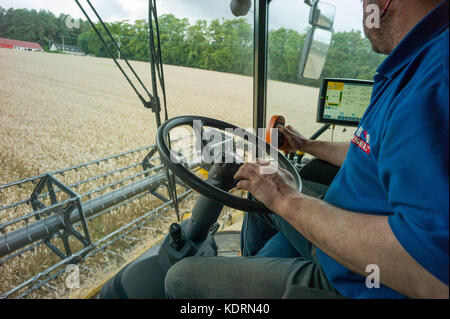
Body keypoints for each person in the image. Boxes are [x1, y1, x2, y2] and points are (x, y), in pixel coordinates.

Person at [164, 0, 449, 299]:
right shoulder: (411, 63)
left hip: (354, 279)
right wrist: (306, 145)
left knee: (178, 279)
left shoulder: (435, 78)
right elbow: (369, 153)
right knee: (258, 194)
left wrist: (288, 200)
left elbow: (432, 270)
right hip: (338, 231)